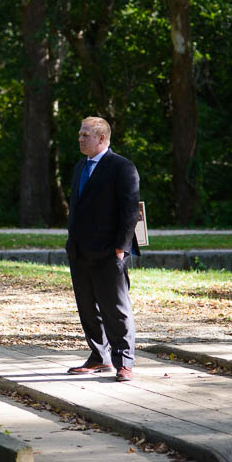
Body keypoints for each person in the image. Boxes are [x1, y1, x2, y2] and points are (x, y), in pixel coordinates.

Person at [65, 116, 140, 382]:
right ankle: (99, 357)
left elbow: (130, 209)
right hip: (79, 251)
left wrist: (121, 246)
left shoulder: (122, 167)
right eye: (80, 133)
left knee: (116, 310)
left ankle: (124, 362)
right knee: (88, 308)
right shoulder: (79, 167)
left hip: (110, 251)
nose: (80, 138)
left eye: (86, 134)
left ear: (102, 138)